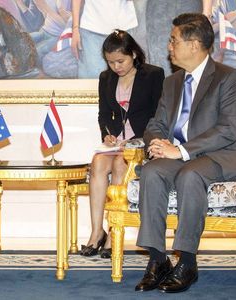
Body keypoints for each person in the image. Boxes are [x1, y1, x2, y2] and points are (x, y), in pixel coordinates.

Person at [135, 13, 236, 293]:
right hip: (181, 156)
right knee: (152, 172)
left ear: (194, 44)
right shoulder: (172, 82)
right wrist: (155, 143)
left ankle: (187, 261)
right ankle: (157, 259)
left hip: (223, 155)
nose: (169, 46)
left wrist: (180, 150)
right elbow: (157, 124)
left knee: (190, 174)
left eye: (173, 40)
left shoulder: (229, 78)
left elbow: (228, 128)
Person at [80, 30, 164, 258]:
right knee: (98, 162)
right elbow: (103, 114)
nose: (116, 66)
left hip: (142, 141)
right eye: (111, 62)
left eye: (121, 61)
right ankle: (97, 232)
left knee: (119, 164)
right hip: (117, 140)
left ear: (134, 53)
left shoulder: (153, 75)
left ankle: (114, 233)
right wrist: (107, 133)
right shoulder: (105, 78)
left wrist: (137, 138)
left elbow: (158, 115)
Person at [71, 0, 138, 78]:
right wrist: (75, 28)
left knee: (127, 79)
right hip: (92, 28)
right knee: (92, 78)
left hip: (124, 25)